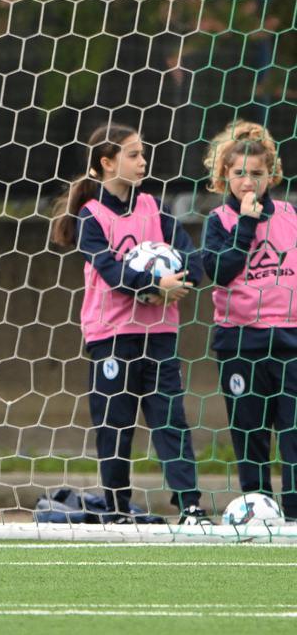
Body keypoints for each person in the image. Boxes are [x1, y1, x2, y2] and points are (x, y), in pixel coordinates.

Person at [51, 123, 210, 524]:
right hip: (112, 338)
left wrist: (176, 284)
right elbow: (108, 269)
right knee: (115, 427)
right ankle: (118, 509)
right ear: (107, 163)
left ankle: (190, 507)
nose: (143, 161)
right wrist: (153, 284)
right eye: (133, 154)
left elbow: (193, 261)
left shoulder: (155, 208)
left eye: (143, 153)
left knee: (171, 422)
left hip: (158, 336)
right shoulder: (92, 215)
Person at [200, 120, 296, 521]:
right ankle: (257, 511)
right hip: (241, 344)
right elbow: (220, 270)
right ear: (223, 175)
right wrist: (246, 223)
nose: (247, 181)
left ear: (271, 175)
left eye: (256, 174)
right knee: (251, 437)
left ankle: (293, 515)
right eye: (238, 173)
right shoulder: (219, 222)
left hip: (290, 343)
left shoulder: (291, 216)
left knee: (293, 436)